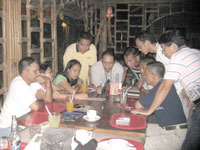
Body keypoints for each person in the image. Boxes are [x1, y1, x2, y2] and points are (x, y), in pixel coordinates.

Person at [133, 30, 200, 149]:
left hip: (182, 122)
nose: (163, 53)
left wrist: (148, 111)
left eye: (164, 49)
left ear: (174, 46)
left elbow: (165, 86)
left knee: (189, 145)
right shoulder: (194, 52)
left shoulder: (178, 56)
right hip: (194, 102)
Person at [135, 31, 190, 119]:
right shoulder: (159, 54)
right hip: (174, 91)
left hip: (180, 92)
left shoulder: (163, 51)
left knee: (182, 121)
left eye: (139, 46)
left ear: (147, 42)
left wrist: (186, 89)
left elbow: (181, 68)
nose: (139, 49)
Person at [134, 61, 187, 149]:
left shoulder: (161, 87)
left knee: (139, 146)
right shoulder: (161, 86)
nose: (144, 76)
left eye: (146, 74)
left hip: (176, 134)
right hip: (166, 128)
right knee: (136, 130)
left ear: (153, 76)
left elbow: (138, 105)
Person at [0, 57, 51, 137]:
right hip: (9, 127)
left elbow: (48, 99)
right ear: (25, 72)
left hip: (23, 123)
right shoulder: (18, 83)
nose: (38, 74)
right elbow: (36, 106)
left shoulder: (33, 82)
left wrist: (48, 82)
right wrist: (43, 101)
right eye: (35, 71)